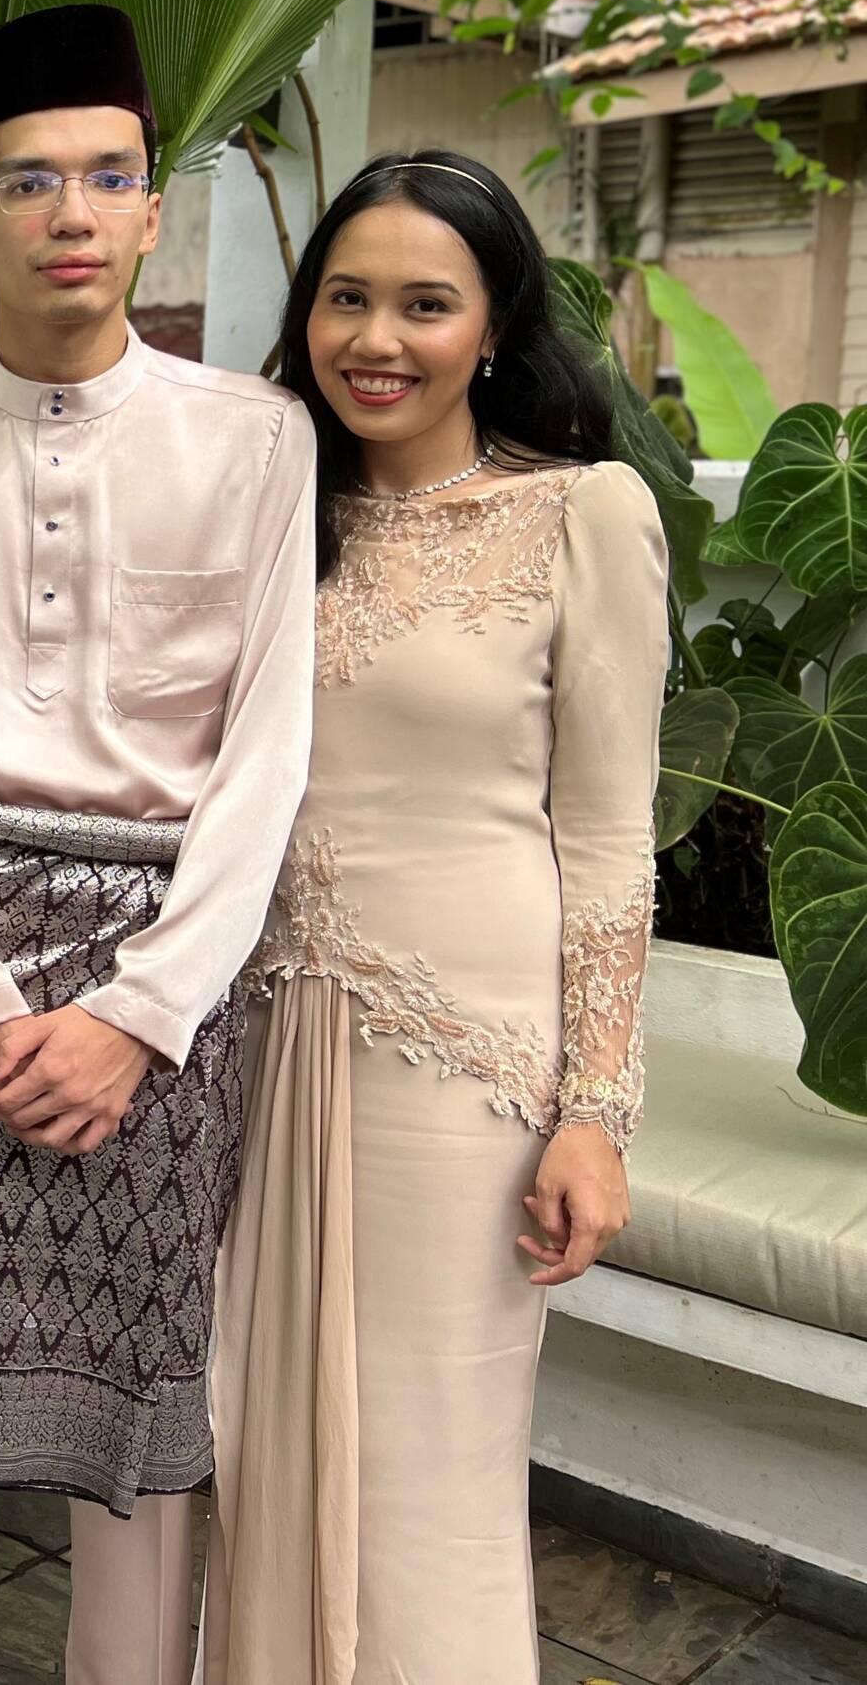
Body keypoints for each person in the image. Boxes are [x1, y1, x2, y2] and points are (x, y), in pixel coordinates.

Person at [0, 4, 318, 1685]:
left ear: (155, 208)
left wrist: (140, 1012)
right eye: (30, 182)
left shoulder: (255, 440)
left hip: (161, 987)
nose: (73, 214)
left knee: (143, 1421)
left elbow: (267, 758)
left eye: (110, 175)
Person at [199, 150, 662, 1683]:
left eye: (424, 303)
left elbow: (605, 841)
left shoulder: (582, 516)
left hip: (458, 1070)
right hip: (257, 1044)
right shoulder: (269, 516)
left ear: (495, 322)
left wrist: (595, 1111)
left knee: (431, 1480)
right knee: (250, 1442)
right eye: (347, 298)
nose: (375, 339)